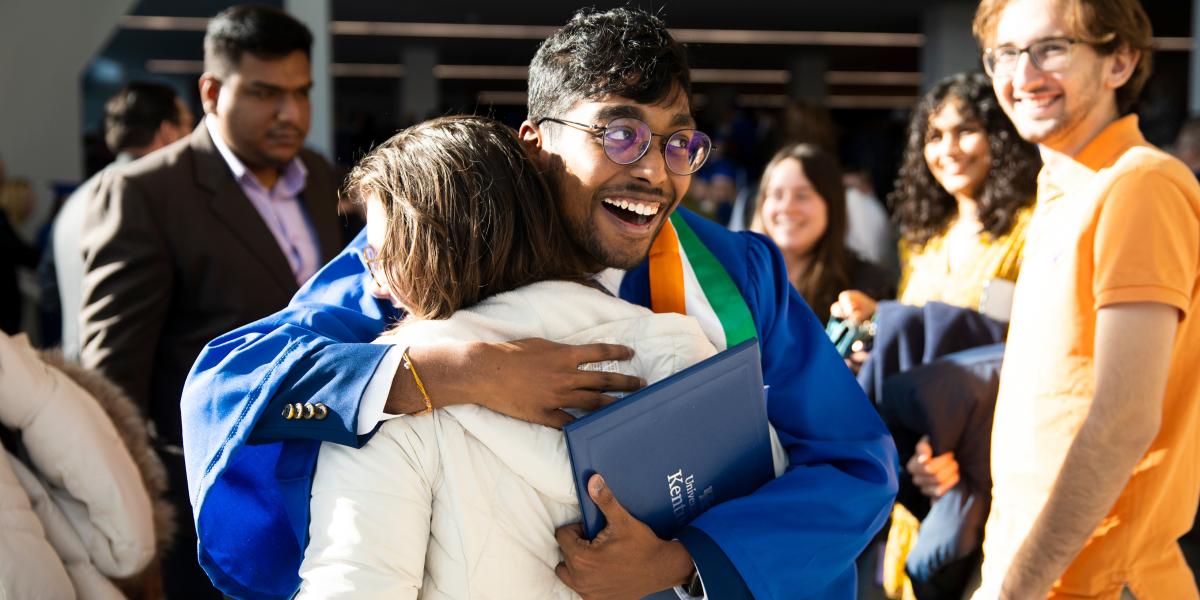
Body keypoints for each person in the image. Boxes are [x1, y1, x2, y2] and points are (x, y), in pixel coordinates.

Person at [183, 7, 897, 600]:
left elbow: (853, 463)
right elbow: (228, 385)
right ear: (536, 144)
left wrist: (686, 560)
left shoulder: (736, 275)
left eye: (678, 142)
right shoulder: (432, 258)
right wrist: (452, 369)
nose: (651, 170)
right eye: (620, 134)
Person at [294, 115, 784, 598]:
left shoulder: (392, 391)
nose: (376, 285)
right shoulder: (678, 347)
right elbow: (760, 535)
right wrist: (682, 567)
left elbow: (353, 582)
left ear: (422, 248)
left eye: (378, 258)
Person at [79, 6, 342, 596]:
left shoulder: (319, 177)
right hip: (214, 504)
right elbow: (113, 382)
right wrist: (136, 527)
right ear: (211, 91)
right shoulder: (145, 193)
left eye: (301, 93)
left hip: (329, 490)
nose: (290, 114)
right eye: (266, 94)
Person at [970, 0, 1200, 597]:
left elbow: (1124, 418)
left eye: (1051, 49)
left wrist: (1014, 587)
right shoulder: (1063, 191)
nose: (1023, 76)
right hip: (1036, 572)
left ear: (1119, 61)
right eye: (1006, 54)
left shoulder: (1137, 184)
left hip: (1099, 580)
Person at [47, 81, 192, 360]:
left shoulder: (76, 199)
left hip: (80, 369)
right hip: (138, 381)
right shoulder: (160, 202)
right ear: (167, 131)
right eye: (188, 124)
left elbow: (49, 291)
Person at [751, 143, 895, 322]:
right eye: (776, 195)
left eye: (802, 196)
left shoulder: (868, 288)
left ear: (831, 205)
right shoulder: (736, 280)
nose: (787, 208)